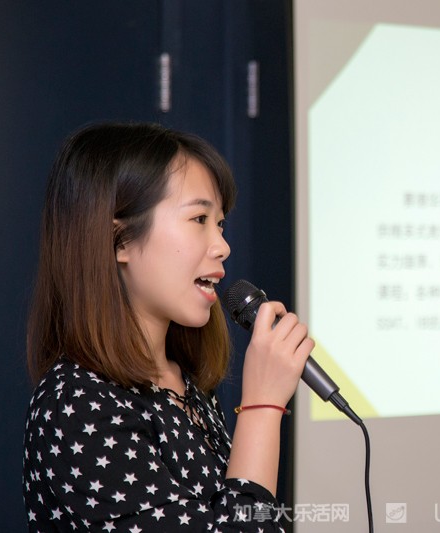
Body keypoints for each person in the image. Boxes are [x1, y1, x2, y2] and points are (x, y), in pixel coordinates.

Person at [23, 122, 313, 531]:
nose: (222, 246)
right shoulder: (77, 405)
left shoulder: (184, 384)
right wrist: (262, 407)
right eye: (199, 218)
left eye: (220, 223)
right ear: (120, 240)